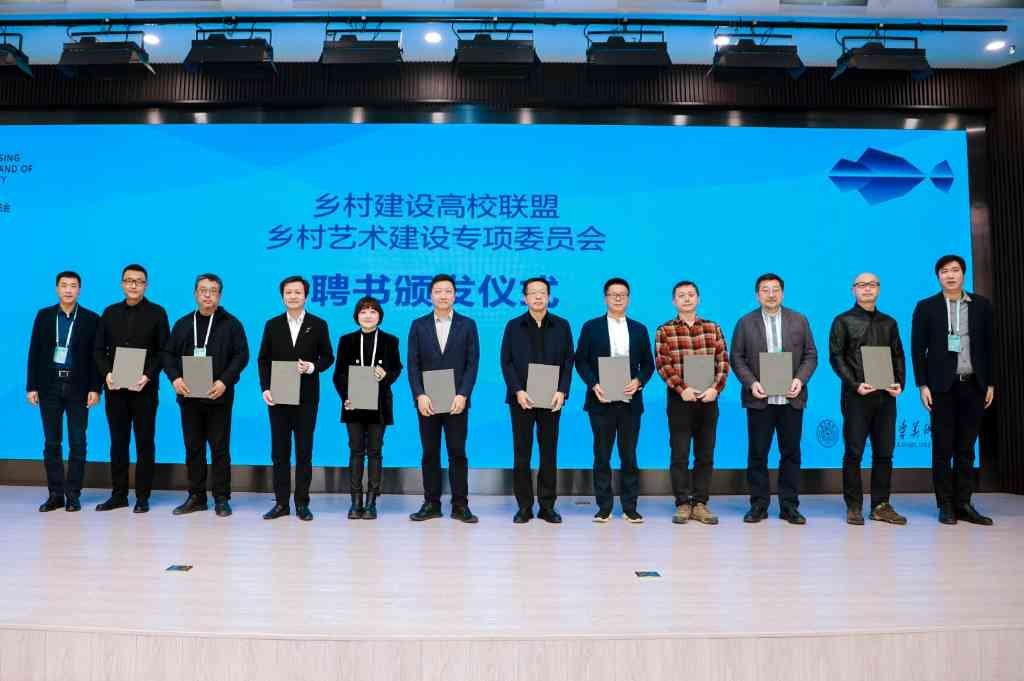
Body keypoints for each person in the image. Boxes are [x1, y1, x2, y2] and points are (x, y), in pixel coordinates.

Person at [911, 254, 995, 526]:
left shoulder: (981, 305)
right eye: (945, 271)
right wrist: (922, 384)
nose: (950, 275)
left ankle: (964, 503)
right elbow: (917, 350)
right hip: (941, 388)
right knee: (942, 448)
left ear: (963, 274)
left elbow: (990, 347)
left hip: (974, 385)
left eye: (955, 270)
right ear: (938, 277)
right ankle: (945, 504)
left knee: (966, 448)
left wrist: (990, 383)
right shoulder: (926, 307)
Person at [730, 273, 818, 525]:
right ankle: (758, 505)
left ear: (782, 293)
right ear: (757, 295)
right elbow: (736, 357)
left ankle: (789, 506)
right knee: (757, 454)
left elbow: (811, 355)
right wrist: (752, 383)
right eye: (765, 290)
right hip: (760, 399)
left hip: (791, 399)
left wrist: (799, 380)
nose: (771, 294)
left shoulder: (799, 320)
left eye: (775, 289)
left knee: (791, 453)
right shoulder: (745, 323)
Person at [162, 274, 249, 518]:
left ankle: (221, 498)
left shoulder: (231, 324)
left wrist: (224, 381)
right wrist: (175, 378)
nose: (207, 295)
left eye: (213, 291)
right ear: (195, 294)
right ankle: (196, 496)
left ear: (220, 295)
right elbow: (167, 354)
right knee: (193, 447)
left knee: (220, 448)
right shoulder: (183, 324)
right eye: (203, 290)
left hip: (218, 395)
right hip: (189, 395)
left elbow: (241, 355)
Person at [828, 273, 907, 526]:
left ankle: (881, 505)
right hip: (857, 396)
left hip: (886, 396)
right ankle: (854, 506)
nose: (867, 289)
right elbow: (836, 357)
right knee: (854, 452)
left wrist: (899, 383)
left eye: (872, 285)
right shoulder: (843, 321)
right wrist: (855, 384)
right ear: (853, 290)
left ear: (879, 289)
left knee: (884, 452)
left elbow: (898, 355)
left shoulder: (889, 322)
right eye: (862, 285)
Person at [575, 278, 654, 523]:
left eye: (622, 294)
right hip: (601, 401)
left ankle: (630, 507)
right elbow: (581, 360)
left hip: (631, 401)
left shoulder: (639, 329)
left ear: (628, 298)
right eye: (613, 294)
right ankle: (604, 506)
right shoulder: (591, 327)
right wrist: (594, 384)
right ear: (605, 298)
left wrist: (639, 381)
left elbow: (648, 364)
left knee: (629, 456)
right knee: (602, 455)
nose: (618, 298)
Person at [93, 264, 170, 514]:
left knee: (145, 442)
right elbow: (98, 350)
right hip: (115, 388)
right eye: (129, 280)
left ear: (146, 285)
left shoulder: (158, 313)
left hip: (144, 389)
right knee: (118, 442)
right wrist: (107, 373)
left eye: (139, 281)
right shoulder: (109, 313)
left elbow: (164, 351)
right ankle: (118, 494)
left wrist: (148, 375)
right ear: (121, 284)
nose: (133, 285)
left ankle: (143, 496)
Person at [257, 275, 334, 521]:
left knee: (304, 451)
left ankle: (302, 503)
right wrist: (265, 388)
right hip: (278, 396)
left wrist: (312, 367)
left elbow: (328, 357)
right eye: (288, 292)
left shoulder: (318, 324)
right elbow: (263, 359)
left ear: (306, 296)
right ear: (282, 297)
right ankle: (281, 503)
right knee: (279, 452)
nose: (293, 296)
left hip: (306, 397)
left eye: (298, 292)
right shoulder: (272, 324)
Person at [654, 280, 730, 526]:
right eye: (681, 295)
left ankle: (700, 503)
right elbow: (662, 363)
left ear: (698, 299)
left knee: (705, 453)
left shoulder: (713, 328)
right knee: (680, 453)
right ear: (674, 301)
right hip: (680, 400)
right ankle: (682, 503)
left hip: (708, 399)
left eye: (691, 295)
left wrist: (715, 388)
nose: (686, 299)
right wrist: (682, 388)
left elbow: (723, 361)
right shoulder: (664, 330)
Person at [26, 271, 102, 512]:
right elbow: (34, 351)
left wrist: (95, 388)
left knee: (78, 442)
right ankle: (55, 494)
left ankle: (73, 494)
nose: (68, 290)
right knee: (52, 442)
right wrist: (31, 386)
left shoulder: (91, 319)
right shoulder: (44, 316)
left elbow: (96, 357)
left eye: (73, 286)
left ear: (80, 290)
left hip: (78, 388)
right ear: (57, 289)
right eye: (64, 285)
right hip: (49, 387)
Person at [500, 277, 574, 524]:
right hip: (522, 399)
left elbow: (568, 361)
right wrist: (518, 391)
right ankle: (524, 506)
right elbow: (506, 361)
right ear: (525, 298)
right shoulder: (514, 326)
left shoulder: (562, 325)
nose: (538, 296)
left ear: (549, 296)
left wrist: (562, 391)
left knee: (548, 453)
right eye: (533, 293)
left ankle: (547, 506)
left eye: (542, 292)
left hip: (552, 399)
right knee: (522, 454)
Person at [406, 274, 480, 523]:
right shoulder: (418, 325)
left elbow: (472, 363)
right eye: (438, 291)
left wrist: (463, 394)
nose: (443, 295)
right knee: (430, 452)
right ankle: (431, 503)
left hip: (456, 401)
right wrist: (419, 394)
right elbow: (413, 364)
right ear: (430, 296)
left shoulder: (467, 325)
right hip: (427, 401)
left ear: (455, 295)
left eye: (448, 291)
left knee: (457, 452)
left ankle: (460, 505)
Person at [332, 296, 403, 520]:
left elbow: (397, 368)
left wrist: (386, 375)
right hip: (353, 403)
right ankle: (355, 502)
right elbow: (338, 374)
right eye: (363, 311)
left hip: (379, 403)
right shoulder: (346, 340)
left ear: (380, 316)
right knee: (355, 451)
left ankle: (371, 502)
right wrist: (346, 397)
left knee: (375, 451)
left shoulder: (390, 340)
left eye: (373, 311)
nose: (368, 315)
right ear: (357, 316)